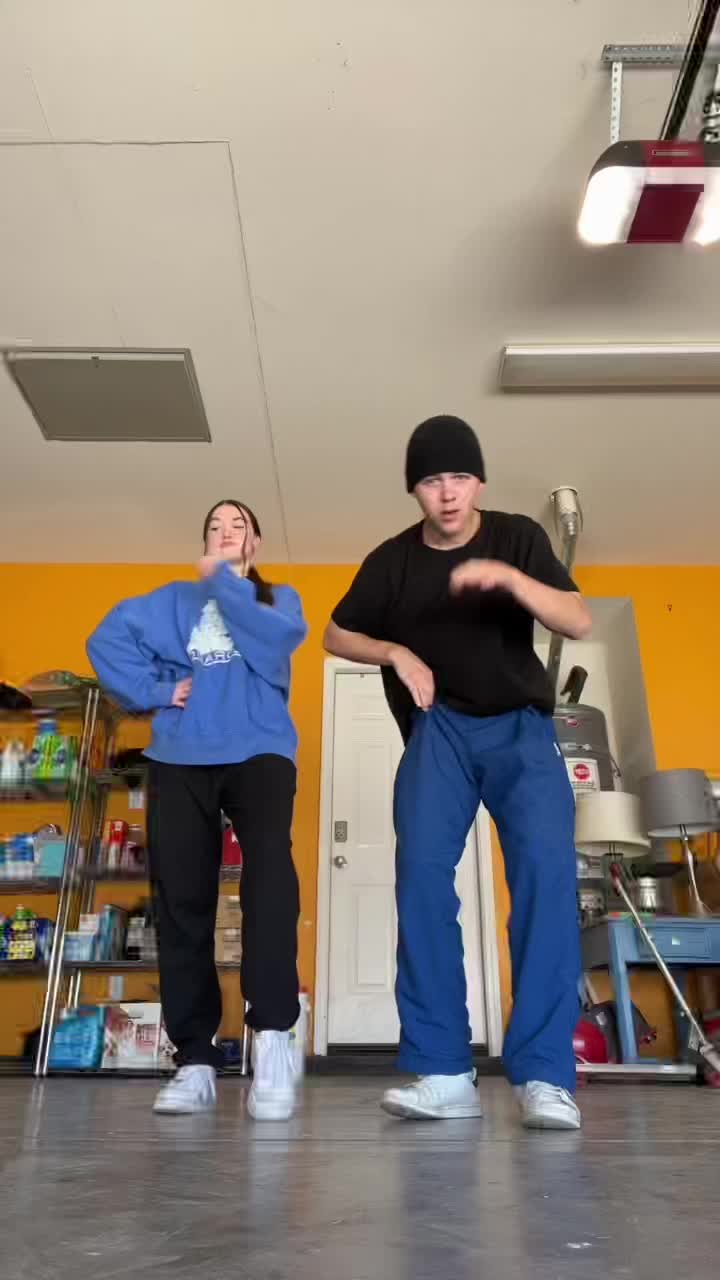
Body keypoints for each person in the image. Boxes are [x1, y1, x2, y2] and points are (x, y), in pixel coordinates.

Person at [324, 416, 591, 1130]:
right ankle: (444, 1071)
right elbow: (335, 632)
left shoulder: (516, 538)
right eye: (432, 480)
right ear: (414, 488)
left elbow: (577, 620)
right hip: (438, 728)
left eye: (461, 478)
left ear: (479, 482)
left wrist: (510, 579)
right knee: (419, 879)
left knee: (544, 880)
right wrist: (394, 653)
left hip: (522, 728)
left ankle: (545, 1076)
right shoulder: (392, 562)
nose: (448, 493)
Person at [87, 500, 307, 1120]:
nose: (225, 531)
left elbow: (273, 643)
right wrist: (156, 691)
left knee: (270, 879)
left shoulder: (276, 600)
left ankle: (272, 1037)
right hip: (180, 754)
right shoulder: (172, 601)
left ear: (255, 543)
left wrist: (222, 581)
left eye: (238, 525)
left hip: (260, 749)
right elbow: (106, 639)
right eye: (215, 526)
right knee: (181, 899)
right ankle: (195, 1060)